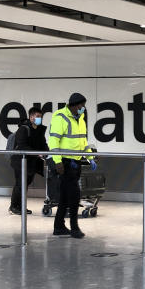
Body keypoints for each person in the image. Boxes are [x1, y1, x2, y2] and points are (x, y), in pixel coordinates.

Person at [48, 93, 91, 239]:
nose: (83, 108)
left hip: (76, 163)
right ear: (75, 105)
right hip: (65, 163)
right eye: (82, 106)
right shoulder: (61, 117)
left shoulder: (81, 119)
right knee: (74, 195)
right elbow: (53, 141)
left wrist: (91, 158)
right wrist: (57, 161)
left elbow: (83, 142)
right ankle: (74, 227)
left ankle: (58, 226)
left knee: (66, 197)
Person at [9, 106, 49, 215]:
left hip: (31, 162)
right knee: (20, 184)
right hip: (20, 161)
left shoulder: (39, 130)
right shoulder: (23, 129)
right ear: (31, 117)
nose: (39, 119)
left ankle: (21, 206)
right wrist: (37, 153)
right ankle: (13, 206)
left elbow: (43, 144)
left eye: (41, 117)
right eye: (37, 116)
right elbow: (22, 146)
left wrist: (47, 152)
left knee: (25, 184)